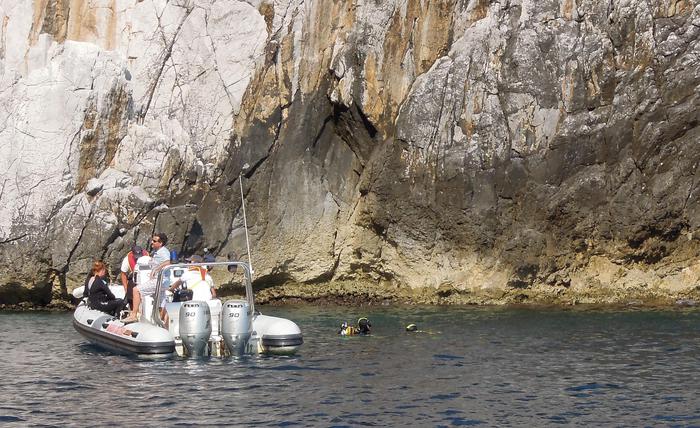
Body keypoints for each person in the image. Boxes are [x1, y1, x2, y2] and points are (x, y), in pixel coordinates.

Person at [123, 232, 171, 323]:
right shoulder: (157, 252)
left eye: (154, 241)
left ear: (160, 243)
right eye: (152, 240)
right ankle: (165, 328)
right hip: (163, 282)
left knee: (136, 290)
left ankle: (133, 315)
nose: (152, 242)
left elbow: (167, 262)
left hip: (159, 281)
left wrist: (156, 269)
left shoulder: (163, 251)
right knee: (161, 305)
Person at [120, 244, 148, 308]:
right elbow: (123, 274)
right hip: (133, 279)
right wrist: (126, 288)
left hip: (145, 278)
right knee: (131, 296)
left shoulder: (147, 256)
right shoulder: (127, 259)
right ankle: (133, 311)